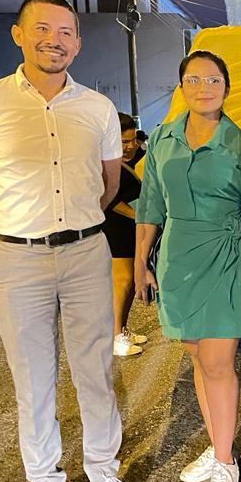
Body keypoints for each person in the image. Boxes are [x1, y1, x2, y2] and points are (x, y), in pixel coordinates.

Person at [0, 0, 134, 482]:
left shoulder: (97, 108)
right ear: (19, 34)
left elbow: (109, 183)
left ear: (77, 44)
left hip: (85, 252)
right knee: (33, 380)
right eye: (42, 29)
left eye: (64, 32)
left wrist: (77, 221)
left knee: (94, 371)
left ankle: (104, 477)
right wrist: (9, 228)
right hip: (18, 258)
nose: (53, 40)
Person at [134, 50, 241, 482]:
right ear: (181, 87)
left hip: (228, 257)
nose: (203, 88)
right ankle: (218, 445)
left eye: (213, 80)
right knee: (197, 356)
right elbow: (150, 205)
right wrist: (140, 262)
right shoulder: (162, 139)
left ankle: (226, 462)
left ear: (227, 88)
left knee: (218, 361)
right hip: (177, 259)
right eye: (193, 79)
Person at [104, 112, 148, 356]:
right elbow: (107, 199)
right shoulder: (104, 163)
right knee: (122, 281)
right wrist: (137, 216)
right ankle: (116, 337)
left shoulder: (138, 157)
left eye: (133, 140)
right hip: (116, 225)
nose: (130, 146)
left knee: (132, 280)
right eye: (124, 142)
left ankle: (122, 329)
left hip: (133, 225)